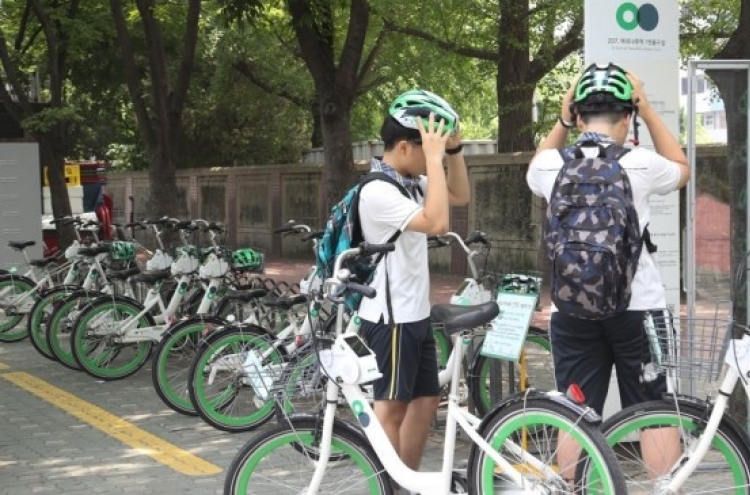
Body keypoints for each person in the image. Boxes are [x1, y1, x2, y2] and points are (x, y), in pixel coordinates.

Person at [526, 63, 689, 485]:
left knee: (573, 409)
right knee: (653, 407)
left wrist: (561, 121)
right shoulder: (641, 163)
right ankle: (662, 490)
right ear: (627, 116)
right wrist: (649, 109)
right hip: (640, 308)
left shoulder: (548, 166)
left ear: (578, 116)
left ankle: (571, 490)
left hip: (572, 308)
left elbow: (533, 167)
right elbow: (682, 167)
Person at [357, 89, 470, 482]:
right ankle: (384, 488)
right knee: (390, 410)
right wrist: (437, 161)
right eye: (427, 152)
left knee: (425, 402)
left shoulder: (407, 182)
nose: (430, 162)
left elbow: (459, 195)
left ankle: (407, 485)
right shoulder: (377, 191)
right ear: (404, 147)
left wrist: (450, 153)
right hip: (390, 320)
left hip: (414, 314)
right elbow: (439, 223)